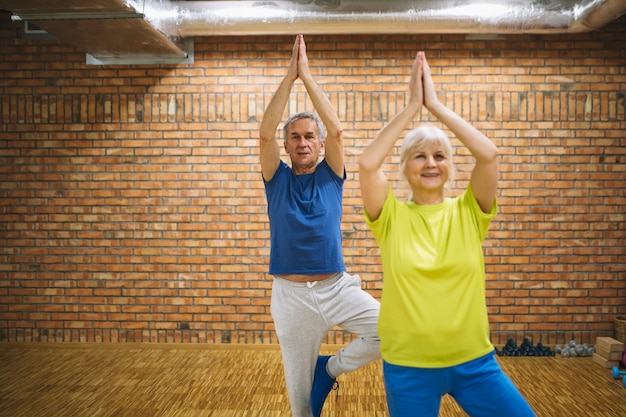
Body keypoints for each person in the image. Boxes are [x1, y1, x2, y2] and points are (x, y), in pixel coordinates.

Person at [358, 51, 537, 417]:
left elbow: (489, 155)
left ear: (451, 166)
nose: (430, 164)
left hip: (474, 362)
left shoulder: (470, 212)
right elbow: (366, 163)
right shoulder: (390, 215)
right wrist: (411, 107)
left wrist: (435, 105)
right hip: (409, 366)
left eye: (440, 156)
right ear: (405, 167)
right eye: (419, 156)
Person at [259, 34, 381, 417]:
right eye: (294, 137)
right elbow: (264, 133)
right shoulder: (276, 178)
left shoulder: (331, 174)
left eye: (310, 135)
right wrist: (288, 76)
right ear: (287, 145)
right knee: (300, 406)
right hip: (291, 299)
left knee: (392, 332)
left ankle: (329, 368)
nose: (303, 142)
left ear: (320, 142)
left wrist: (307, 76)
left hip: (337, 287)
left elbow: (339, 131)